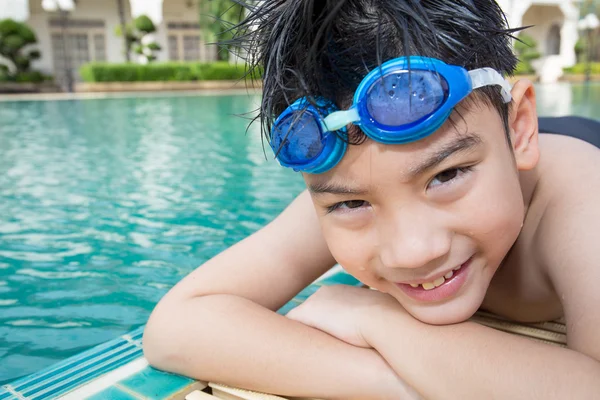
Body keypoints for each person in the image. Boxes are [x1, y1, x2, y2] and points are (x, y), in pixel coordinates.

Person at [142, 1, 600, 398]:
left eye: (447, 176)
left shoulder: (582, 204)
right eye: (351, 205)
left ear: (519, 130)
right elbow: (174, 328)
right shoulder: (359, 178)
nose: (414, 250)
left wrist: (377, 320)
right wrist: (400, 380)